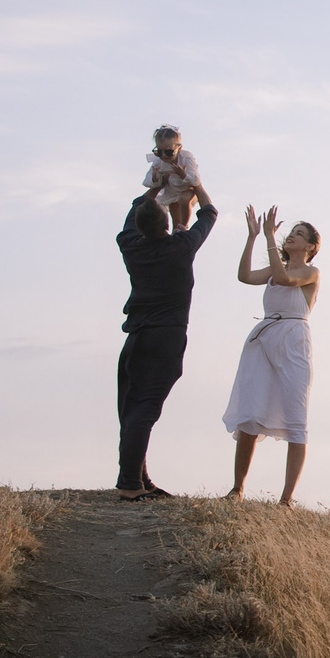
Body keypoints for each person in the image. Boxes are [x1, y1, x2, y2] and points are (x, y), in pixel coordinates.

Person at [115, 186, 218, 500]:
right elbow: (209, 215)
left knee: (132, 409)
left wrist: (154, 187)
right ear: (166, 225)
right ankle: (130, 484)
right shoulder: (180, 246)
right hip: (166, 339)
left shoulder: (130, 246)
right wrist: (197, 185)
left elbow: (132, 219)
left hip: (135, 338)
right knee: (144, 410)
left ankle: (138, 478)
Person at [221, 206, 320, 506]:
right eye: (290, 233)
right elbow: (244, 276)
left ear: (311, 247)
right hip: (263, 340)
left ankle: (286, 499)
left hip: (293, 342)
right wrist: (253, 237)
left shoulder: (310, 272)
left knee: (295, 418)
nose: (291, 237)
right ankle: (237, 489)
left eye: (299, 235)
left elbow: (285, 279)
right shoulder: (278, 266)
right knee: (250, 414)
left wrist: (269, 240)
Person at [144, 124, 210, 234]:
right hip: (171, 191)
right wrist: (156, 179)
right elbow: (149, 182)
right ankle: (176, 232)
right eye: (159, 152)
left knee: (184, 199)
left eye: (169, 152)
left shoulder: (186, 157)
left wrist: (183, 175)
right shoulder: (158, 161)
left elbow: (196, 181)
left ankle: (184, 226)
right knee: (173, 216)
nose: (164, 156)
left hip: (188, 189)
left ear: (179, 148)